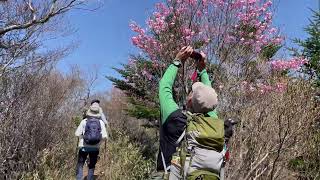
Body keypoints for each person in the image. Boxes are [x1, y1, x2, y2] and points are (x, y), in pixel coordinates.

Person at [156, 46, 223, 179]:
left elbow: (164, 87)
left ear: (190, 102)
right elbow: (209, 97)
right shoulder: (214, 123)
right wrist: (202, 70)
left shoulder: (175, 118)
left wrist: (177, 61)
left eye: (192, 93)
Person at [75, 102, 108, 180]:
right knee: (92, 165)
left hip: (83, 147)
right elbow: (105, 136)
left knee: (80, 164)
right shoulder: (101, 123)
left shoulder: (84, 121)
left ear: (89, 111)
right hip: (95, 148)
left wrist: (83, 136)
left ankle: (79, 178)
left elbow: (77, 134)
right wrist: (98, 140)